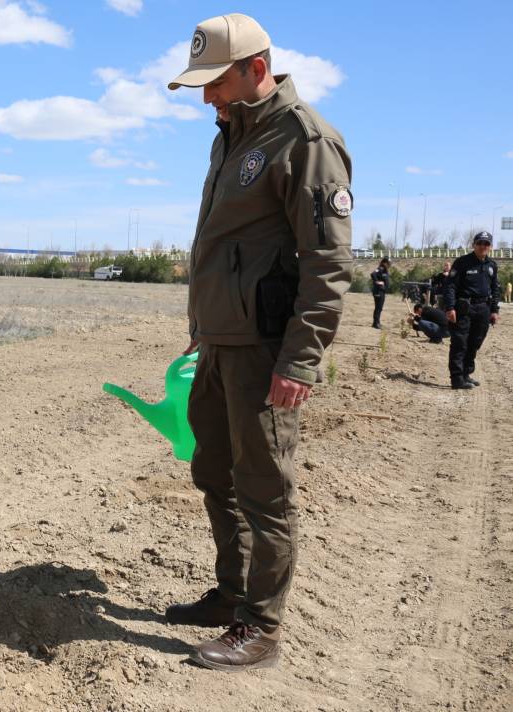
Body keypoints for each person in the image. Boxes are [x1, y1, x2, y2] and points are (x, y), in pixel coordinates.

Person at [164, 13, 352, 671]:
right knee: (214, 473)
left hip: (264, 351)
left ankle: (261, 627)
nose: (207, 98)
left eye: (215, 83)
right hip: (219, 344)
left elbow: (327, 266)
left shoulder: (305, 141)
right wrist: (201, 333)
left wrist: (299, 359)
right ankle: (232, 593)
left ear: (257, 68)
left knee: (265, 490)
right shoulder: (230, 138)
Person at [443, 232, 500, 389]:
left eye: (486, 244)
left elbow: (495, 288)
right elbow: (450, 286)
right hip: (464, 309)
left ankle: (466, 373)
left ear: (490, 247)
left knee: (475, 342)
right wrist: (450, 308)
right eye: (480, 243)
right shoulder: (462, 262)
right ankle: (457, 379)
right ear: (474, 245)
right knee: (460, 343)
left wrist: (494, 310)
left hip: (483, 309)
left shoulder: (492, 265)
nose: (483, 246)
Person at [370, 258, 391, 328]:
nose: (389, 265)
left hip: (382, 291)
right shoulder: (380, 268)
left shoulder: (384, 270)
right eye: (388, 263)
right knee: (378, 307)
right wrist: (377, 282)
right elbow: (373, 274)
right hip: (378, 291)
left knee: (379, 308)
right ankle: (376, 323)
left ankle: (377, 322)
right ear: (384, 263)